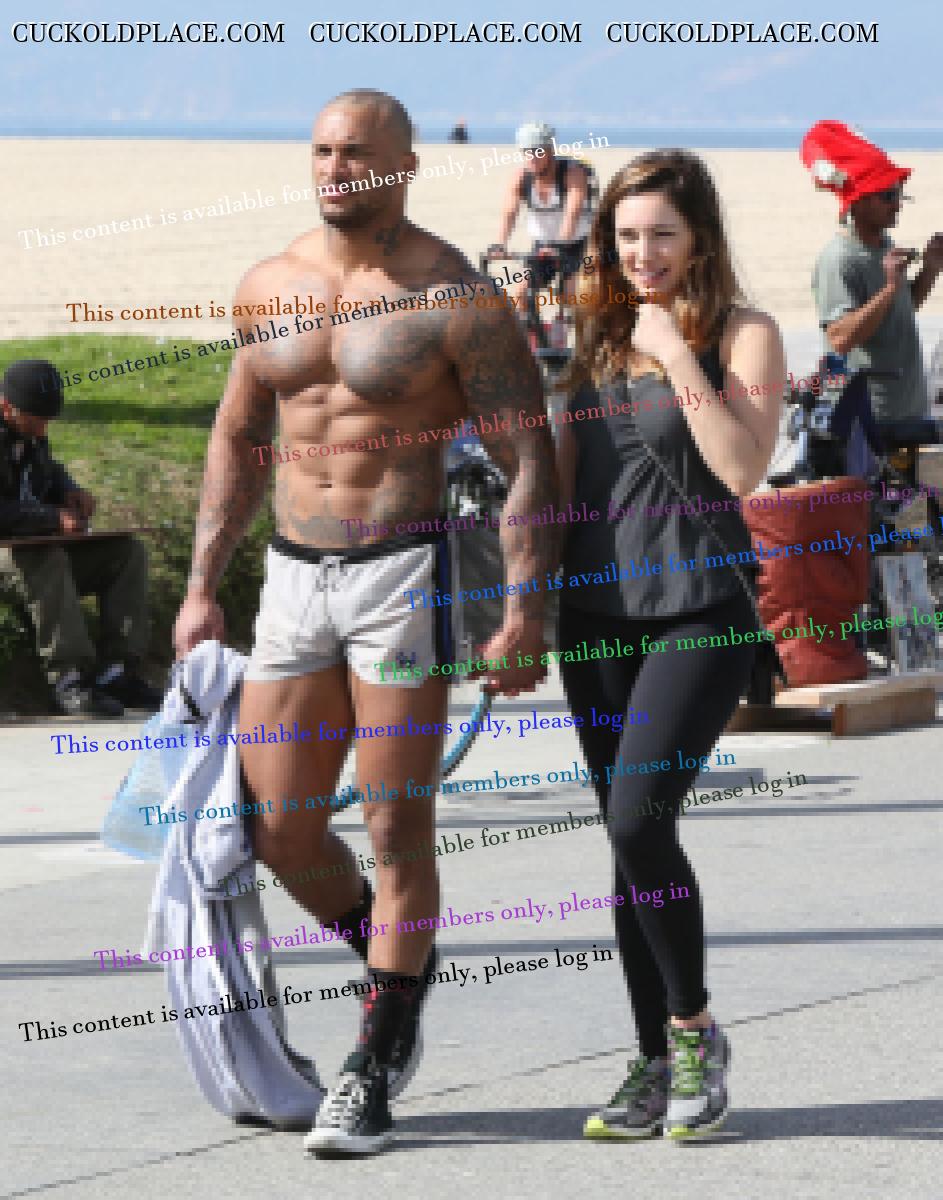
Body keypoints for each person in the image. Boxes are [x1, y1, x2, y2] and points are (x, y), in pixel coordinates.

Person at [172, 88, 556, 1157]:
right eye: (322, 151)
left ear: (404, 165)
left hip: (402, 576)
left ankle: (372, 1065)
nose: (335, 169)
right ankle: (401, 967)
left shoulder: (457, 297)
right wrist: (202, 586)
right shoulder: (270, 286)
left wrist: (523, 609)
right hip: (293, 580)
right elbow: (238, 436)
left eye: (356, 153)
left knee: (394, 830)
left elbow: (527, 455)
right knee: (281, 833)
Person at [556, 150, 785, 1140]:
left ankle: (693, 1033)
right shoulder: (594, 336)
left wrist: (676, 355)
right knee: (625, 840)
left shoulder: (744, 332)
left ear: (699, 240)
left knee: (636, 817)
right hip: (592, 617)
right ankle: (652, 1063)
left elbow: (741, 468)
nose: (641, 253)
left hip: (699, 610)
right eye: (625, 237)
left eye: (660, 234)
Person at [0, 359, 160, 716]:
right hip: (18, 555)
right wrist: (52, 518)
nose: (43, 430)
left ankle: (118, 672)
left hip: (28, 547)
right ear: (6, 407)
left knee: (126, 553)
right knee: (47, 557)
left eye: (47, 421)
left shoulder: (28, 431)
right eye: (37, 420)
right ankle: (69, 678)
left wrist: (69, 491)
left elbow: (48, 472)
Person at [803, 120, 943, 421]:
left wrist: (930, 268)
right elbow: (840, 338)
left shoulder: (883, 246)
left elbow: (898, 311)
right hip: (867, 422)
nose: (898, 205)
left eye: (899, 194)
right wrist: (890, 288)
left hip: (907, 413)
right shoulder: (839, 259)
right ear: (858, 201)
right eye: (888, 196)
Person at [491, 121, 596, 301]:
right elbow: (509, 213)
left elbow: (573, 213)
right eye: (527, 152)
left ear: (550, 151)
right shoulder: (521, 177)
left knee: (569, 294)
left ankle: (568, 317)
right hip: (542, 245)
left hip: (577, 245)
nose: (532, 157)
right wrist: (500, 245)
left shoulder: (573, 173)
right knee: (522, 293)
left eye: (538, 152)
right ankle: (528, 320)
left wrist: (560, 244)